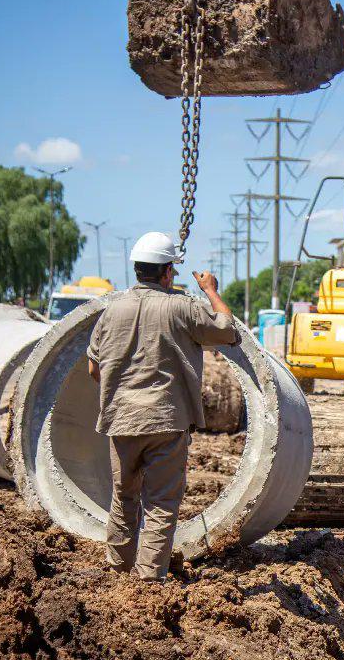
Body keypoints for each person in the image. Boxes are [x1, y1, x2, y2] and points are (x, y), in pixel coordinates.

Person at [86, 231, 237, 581]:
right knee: (161, 503)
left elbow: (94, 369)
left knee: (123, 497)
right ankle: (149, 581)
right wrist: (211, 290)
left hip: (121, 420)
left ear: (137, 270)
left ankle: (118, 571)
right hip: (167, 420)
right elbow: (227, 331)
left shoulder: (112, 311)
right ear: (168, 272)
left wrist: (122, 390)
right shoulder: (182, 306)